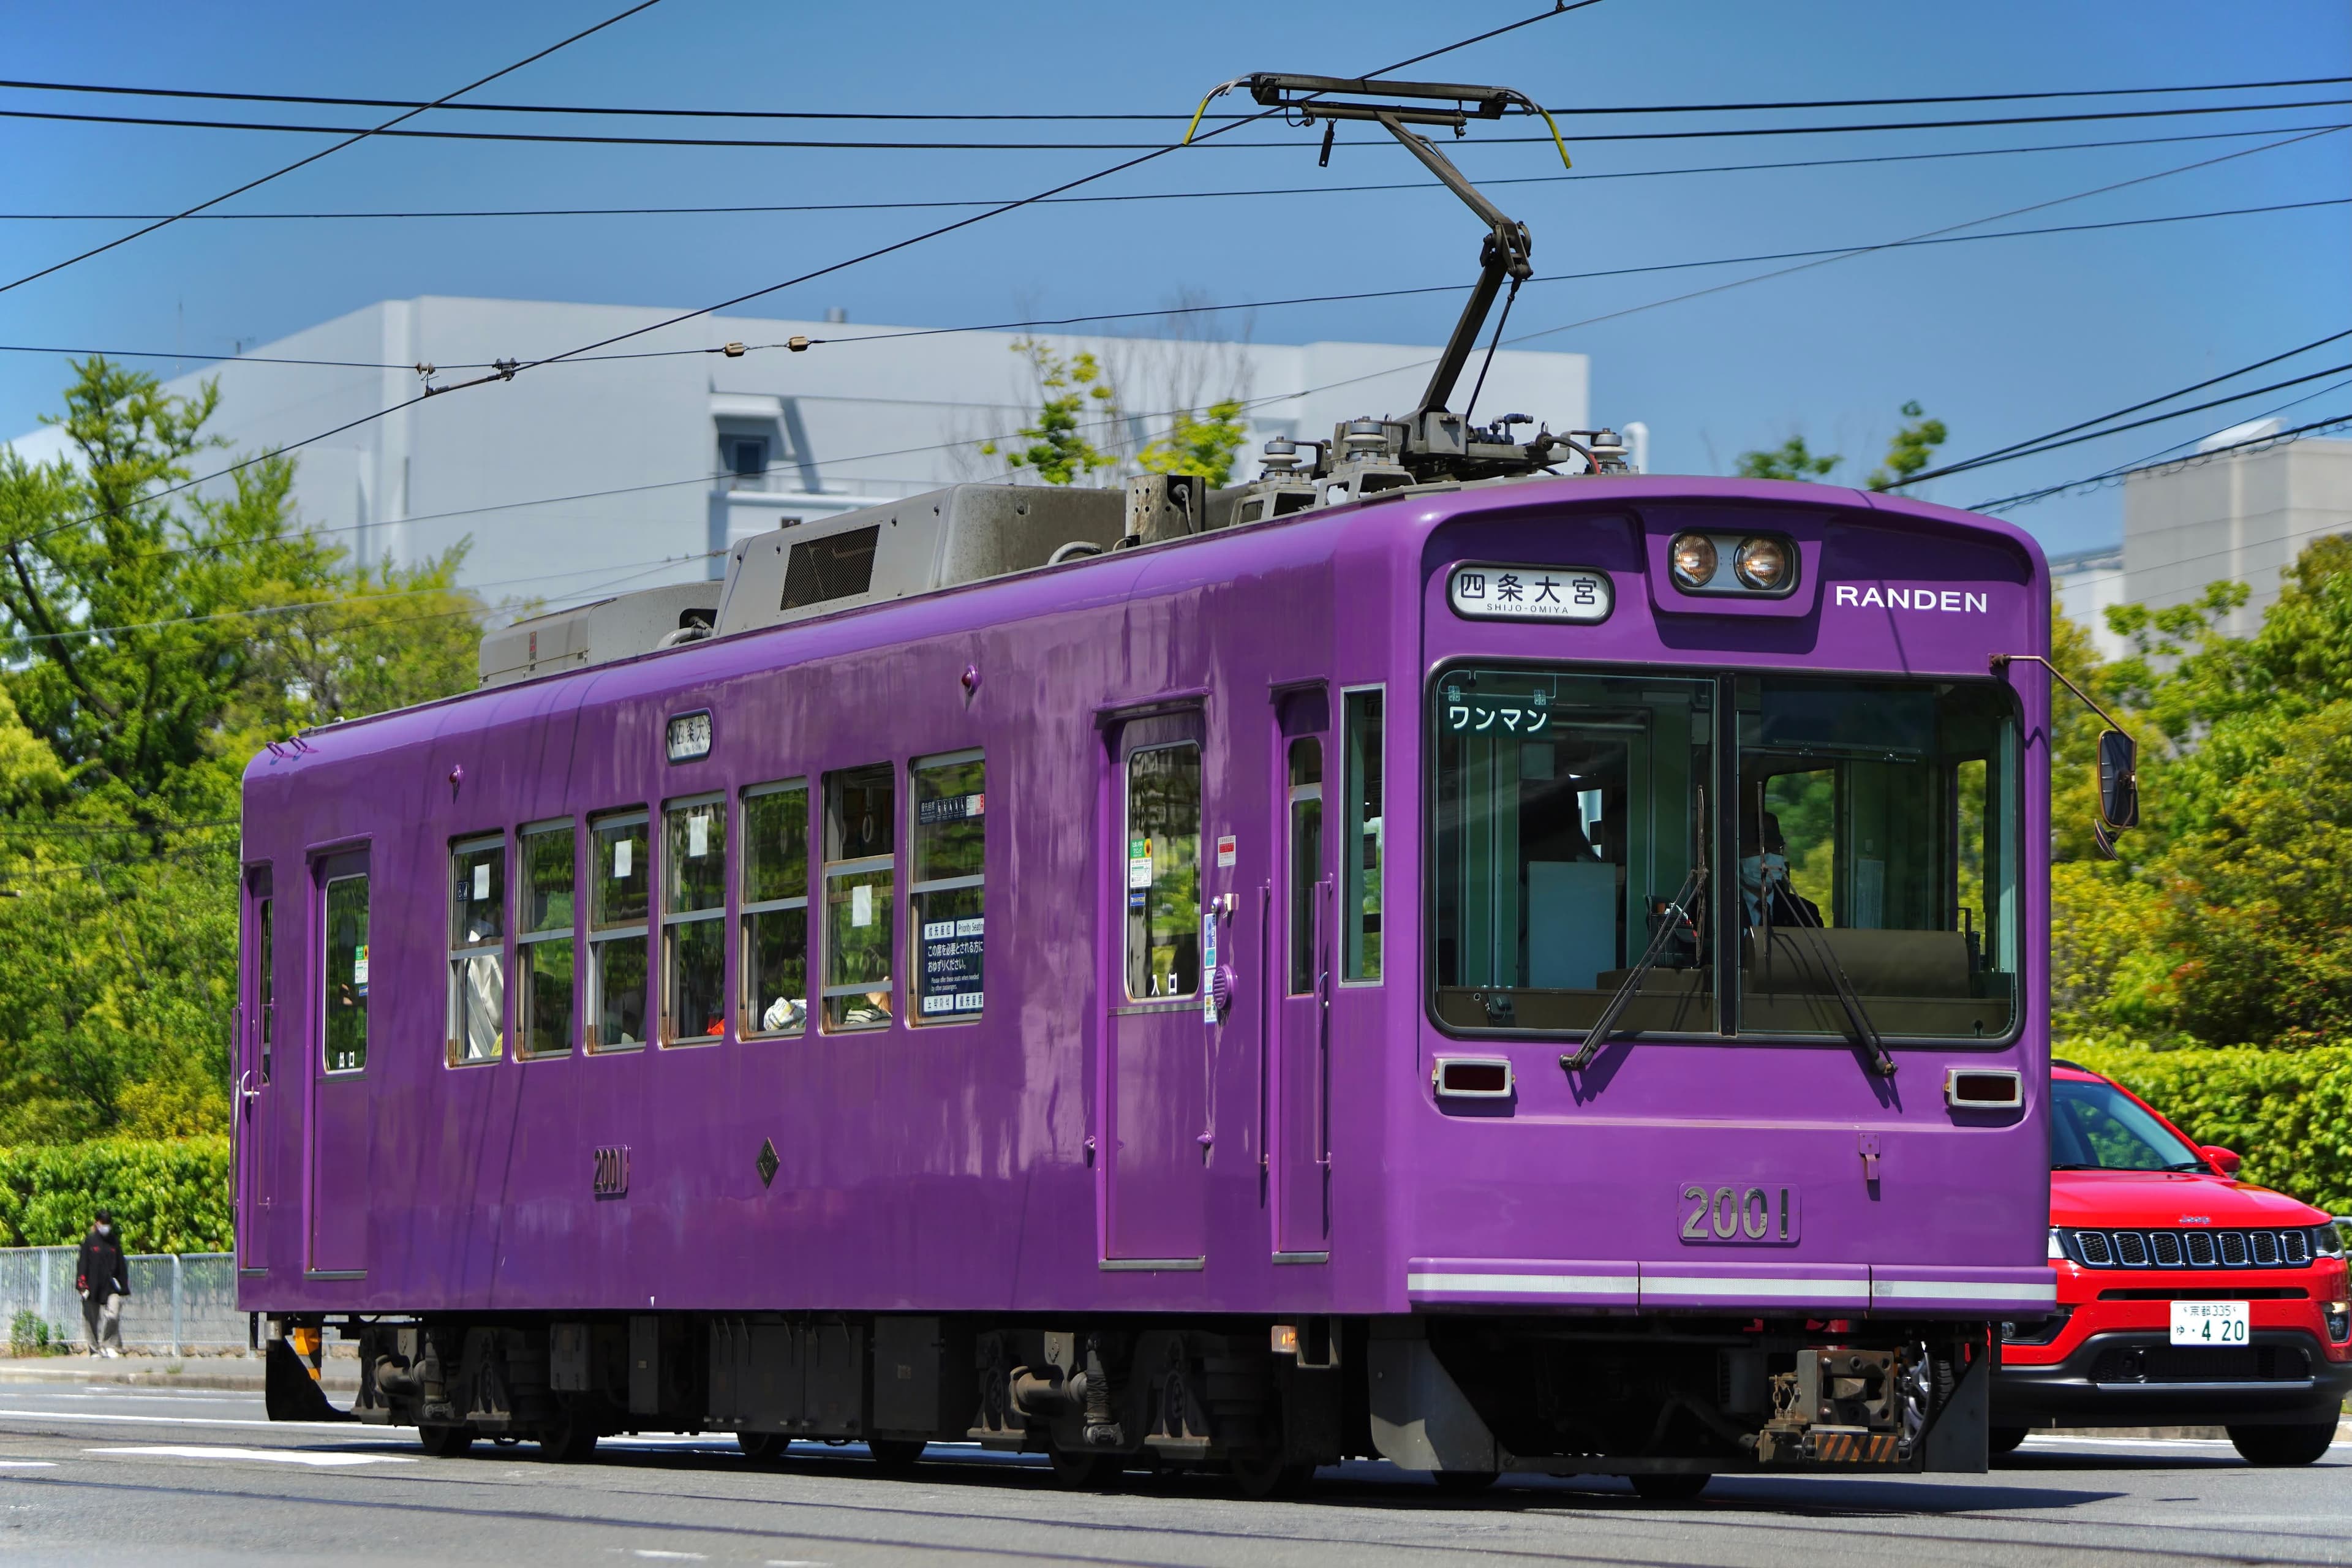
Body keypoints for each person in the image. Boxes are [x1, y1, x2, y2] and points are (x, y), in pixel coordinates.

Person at [76, 1209, 129, 1358]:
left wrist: (123, 1285)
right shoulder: (90, 1241)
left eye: (108, 1224)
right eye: (103, 1223)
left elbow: (121, 1265)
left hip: (111, 1286)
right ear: (97, 1223)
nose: (105, 1226)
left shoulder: (114, 1242)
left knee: (113, 1313)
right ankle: (94, 1349)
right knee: (91, 1318)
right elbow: (83, 1264)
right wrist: (82, 1285)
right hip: (92, 1286)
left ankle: (108, 1344)